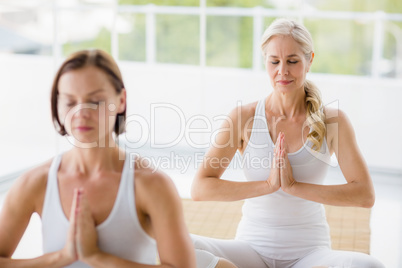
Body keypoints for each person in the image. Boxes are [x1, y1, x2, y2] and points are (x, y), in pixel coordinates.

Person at [191, 18, 385, 268]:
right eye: (274, 61)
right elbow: (200, 188)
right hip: (250, 250)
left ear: (309, 60)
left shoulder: (333, 121)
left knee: (369, 266)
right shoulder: (243, 118)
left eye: (292, 61)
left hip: (310, 255)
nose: (282, 70)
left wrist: (293, 187)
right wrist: (269, 185)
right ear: (265, 62)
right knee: (181, 246)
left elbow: (364, 194)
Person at [0, 49, 197, 267]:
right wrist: (62, 257)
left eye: (95, 102)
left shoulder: (151, 184)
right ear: (57, 104)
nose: (81, 112)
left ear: (121, 100)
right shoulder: (36, 182)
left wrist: (97, 257)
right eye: (69, 102)